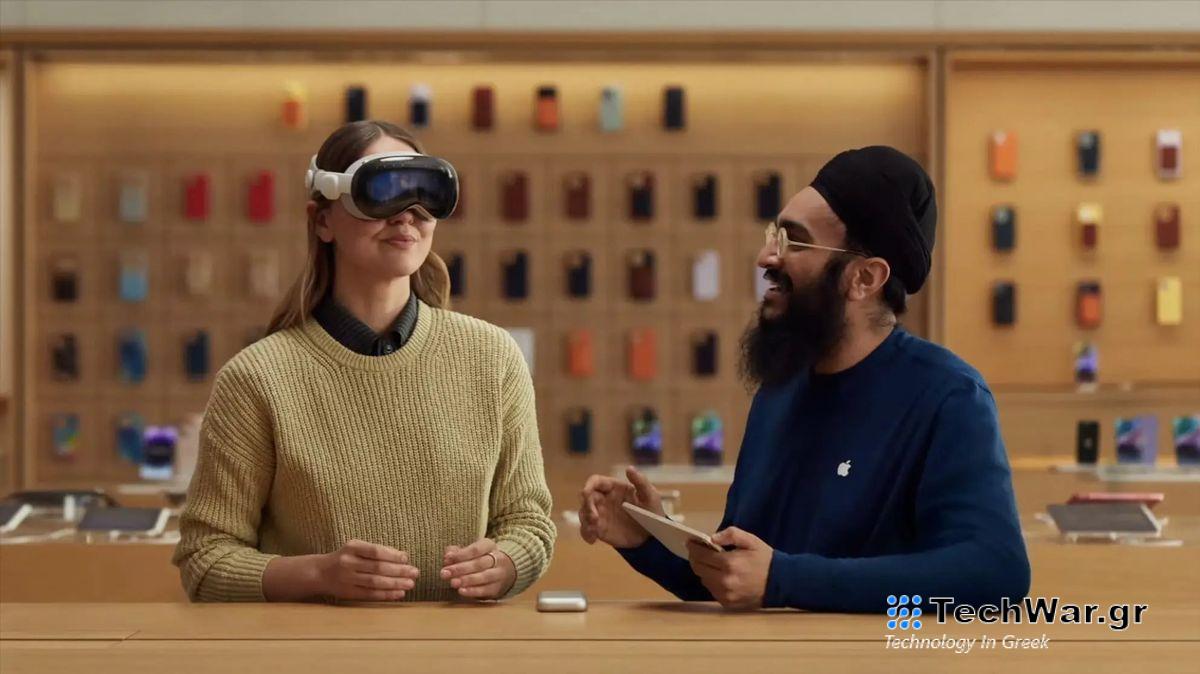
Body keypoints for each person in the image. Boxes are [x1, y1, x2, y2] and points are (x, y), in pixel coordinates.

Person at [580, 146, 1030, 612]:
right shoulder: (780, 389)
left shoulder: (948, 396)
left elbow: (994, 573)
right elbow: (741, 574)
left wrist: (784, 578)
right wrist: (647, 537)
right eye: (773, 235)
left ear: (864, 278)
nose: (764, 258)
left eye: (793, 242)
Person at [173, 120, 555, 602]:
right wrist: (319, 576)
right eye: (383, 192)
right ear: (322, 220)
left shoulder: (493, 358)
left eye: (425, 194)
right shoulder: (256, 379)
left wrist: (505, 563)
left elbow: (528, 522)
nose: (408, 216)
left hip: (460, 656)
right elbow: (205, 561)